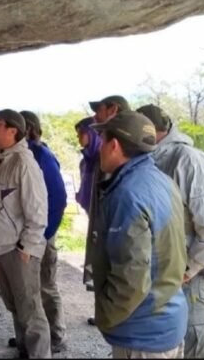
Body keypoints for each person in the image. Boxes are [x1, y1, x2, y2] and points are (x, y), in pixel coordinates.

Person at [137, 104, 204, 358]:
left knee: (191, 340)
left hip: (190, 274)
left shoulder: (189, 160)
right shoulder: (150, 157)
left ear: (148, 131)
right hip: (165, 272)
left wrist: (188, 269)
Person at [90, 111, 188, 359]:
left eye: (102, 141)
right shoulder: (162, 180)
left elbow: (130, 279)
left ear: (113, 145)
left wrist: (105, 317)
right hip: (169, 320)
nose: (100, 148)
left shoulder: (127, 193)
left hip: (143, 335)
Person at [0, 109, 51, 359]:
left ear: (13, 131)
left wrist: (27, 248)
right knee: (15, 305)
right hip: (0, 246)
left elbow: (38, 210)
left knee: (31, 312)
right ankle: (25, 350)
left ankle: (39, 354)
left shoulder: (24, 163)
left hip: (18, 250)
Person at [18, 110, 67, 353]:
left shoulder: (42, 157)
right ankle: (33, 338)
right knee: (29, 290)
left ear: (27, 130)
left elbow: (58, 200)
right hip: (31, 235)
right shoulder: (25, 155)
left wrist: (42, 236)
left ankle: (56, 337)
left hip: (42, 235)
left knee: (46, 286)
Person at [83, 95, 131, 326]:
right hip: (103, 216)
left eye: (99, 109)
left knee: (120, 266)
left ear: (114, 109)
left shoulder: (128, 141)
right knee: (103, 264)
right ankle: (105, 313)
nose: (95, 115)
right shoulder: (102, 144)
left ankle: (117, 317)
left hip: (120, 220)